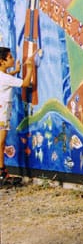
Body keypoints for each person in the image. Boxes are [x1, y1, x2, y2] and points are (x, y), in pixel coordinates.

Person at [0, 47, 33, 186]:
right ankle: (2, 174)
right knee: (1, 142)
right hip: (2, 114)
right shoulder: (6, 78)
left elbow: (7, 78)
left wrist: (16, 71)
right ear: (2, 61)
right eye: (10, 57)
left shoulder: (4, 76)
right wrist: (30, 68)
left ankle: (2, 172)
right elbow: (25, 83)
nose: (13, 59)